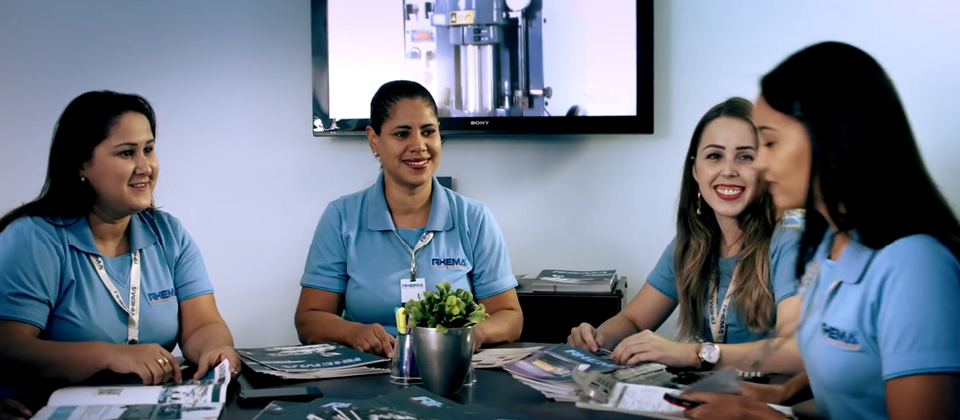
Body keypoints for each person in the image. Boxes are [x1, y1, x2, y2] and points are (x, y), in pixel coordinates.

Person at [680, 41, 960, 420]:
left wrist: (760, 417)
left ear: (828, 137)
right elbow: (851, 355)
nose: (758, 164)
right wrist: (781, 392)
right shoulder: (829, 242)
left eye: (770, 143)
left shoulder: (916, 266)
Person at [0, 91, 241, 393]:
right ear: (81, 164)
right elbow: (9, 346)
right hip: (47, 406)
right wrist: (108, 355)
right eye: (127, 153)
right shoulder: (33, 237)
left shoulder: (169, 233)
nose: (145, 167)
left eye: (148, 149)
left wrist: (215, 350)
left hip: (146, 404)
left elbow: (203, 324)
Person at [567, 97, 804, 372]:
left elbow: (794, 349)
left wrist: (694, 353)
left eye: (745, 157)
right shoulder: (689, 245)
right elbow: (633, 320)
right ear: (695, 170)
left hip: (769, 395)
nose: (729, 170)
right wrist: (595, 339)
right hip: (713, 392)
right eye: (714, 156)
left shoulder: (789, 240)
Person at [294, 80, 523, 357]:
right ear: (374, 139)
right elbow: (309, 319)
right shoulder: (341, 217)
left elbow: (509, 316)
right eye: (402, 134)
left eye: (428, 132)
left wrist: (472, 333)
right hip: (369, 369)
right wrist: (354, 333)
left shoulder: (474, 218)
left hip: (448, 366)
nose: (419, 145)